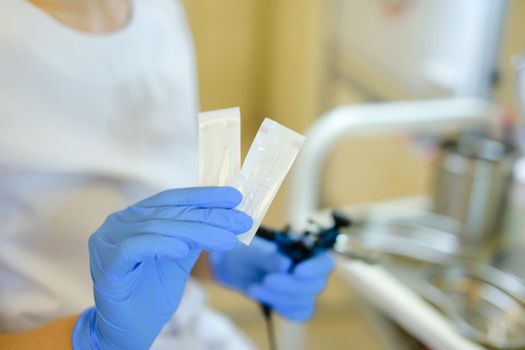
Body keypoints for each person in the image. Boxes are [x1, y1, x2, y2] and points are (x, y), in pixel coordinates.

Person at [0, 0, 334, 349]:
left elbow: (154, 207)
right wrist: (91, 340)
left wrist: (216, 257)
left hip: (194, 333)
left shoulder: (158, 9)